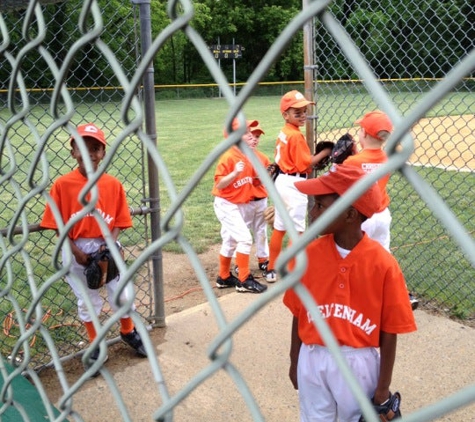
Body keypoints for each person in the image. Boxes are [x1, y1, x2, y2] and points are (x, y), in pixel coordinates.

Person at [283, 163, 417, 421]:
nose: (312, 211)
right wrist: (294, 358)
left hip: (358, 363)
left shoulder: (383, 264)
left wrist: (382, 388)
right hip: (312, 357)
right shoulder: (307, 255)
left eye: (320, 205)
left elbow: (390, 331)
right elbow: (299, 312)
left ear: (350, 214)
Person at [40, 123, 147, 374]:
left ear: (102, 153)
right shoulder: (62, 185)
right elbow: (57, 225)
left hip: (106, 243)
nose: (89, 152)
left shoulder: (112, 184)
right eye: (82, 147)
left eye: (96, 148)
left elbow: (120, 221)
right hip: (74, 246)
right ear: (73, 152)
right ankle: (95, 343)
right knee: (88, 301)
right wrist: (78, 253)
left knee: (121, 293)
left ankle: (128, 330)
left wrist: (107, 246)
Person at [344, 110, 418, 309]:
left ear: (365, 134)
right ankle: (402, 293)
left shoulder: (353, 162)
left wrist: (343, 160)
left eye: (361, 129)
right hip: (382, 215)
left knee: (354, 255)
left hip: (362, 217)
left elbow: (347, 182)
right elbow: (372, 162)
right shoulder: (387, 158)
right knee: (384, 255)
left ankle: (358, 296)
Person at [265, 90, 332, 283]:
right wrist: (325, 152)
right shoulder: (295, 136)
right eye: (297, 112)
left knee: (279, 227)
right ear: (285, 115)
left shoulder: (285, 131)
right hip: (294, 184)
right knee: (297, 230)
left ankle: (272, 269)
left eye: (304, 111)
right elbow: (306, 163)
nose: (302, 115)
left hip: (281, 181)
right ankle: (293, 270)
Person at [212, 118, 268, 293]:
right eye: (246, 133)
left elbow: (254, 181)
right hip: (226, 204)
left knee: (229, 240)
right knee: (244, 239)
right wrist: (235, 172)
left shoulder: (249, 156)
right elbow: (219, 184)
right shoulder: (229, 157)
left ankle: (223, 277)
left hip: (238, 204)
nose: (251, 136)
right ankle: (244, 280)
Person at [233, 120, 271, 276]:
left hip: (260, 200)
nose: (255, 139)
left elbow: (266, 180)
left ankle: (263, 259)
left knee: (261, 231)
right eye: (252, 136)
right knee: (243, 233)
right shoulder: (238, 157)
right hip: (245, 202)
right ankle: (239, 263)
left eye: (257, 136)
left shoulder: (262, 158)